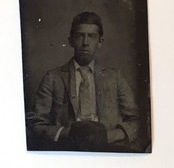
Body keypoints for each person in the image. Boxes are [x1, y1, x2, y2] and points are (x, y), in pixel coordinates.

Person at [30, 11, 139, 152]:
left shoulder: (115, 78)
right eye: (80, 36)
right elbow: (36, 123)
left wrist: (109, 136)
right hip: (68, 148)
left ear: (100, 42)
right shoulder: (52, 78)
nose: (85, 43)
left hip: (108, 148)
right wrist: (68, 134)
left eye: (92, 36)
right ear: (71, 41)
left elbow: (136, 119)